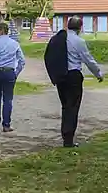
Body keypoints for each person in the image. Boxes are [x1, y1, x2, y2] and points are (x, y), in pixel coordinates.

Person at [43, 15, 103, 148]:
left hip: (60, 76)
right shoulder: (78, 41)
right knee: (73, 106)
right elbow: (88, 60)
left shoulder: (57, 39)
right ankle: (68, 138)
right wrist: (98, 74)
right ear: (80, 27)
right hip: (73, 76)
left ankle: (66, 134)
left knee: (65, 106)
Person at [0, 21, 25, 132]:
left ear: (2, 31)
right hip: (9, 72)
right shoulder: (15, 44)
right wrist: (16, 72)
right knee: (8, 98)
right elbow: (22, 61)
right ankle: (6, 124)